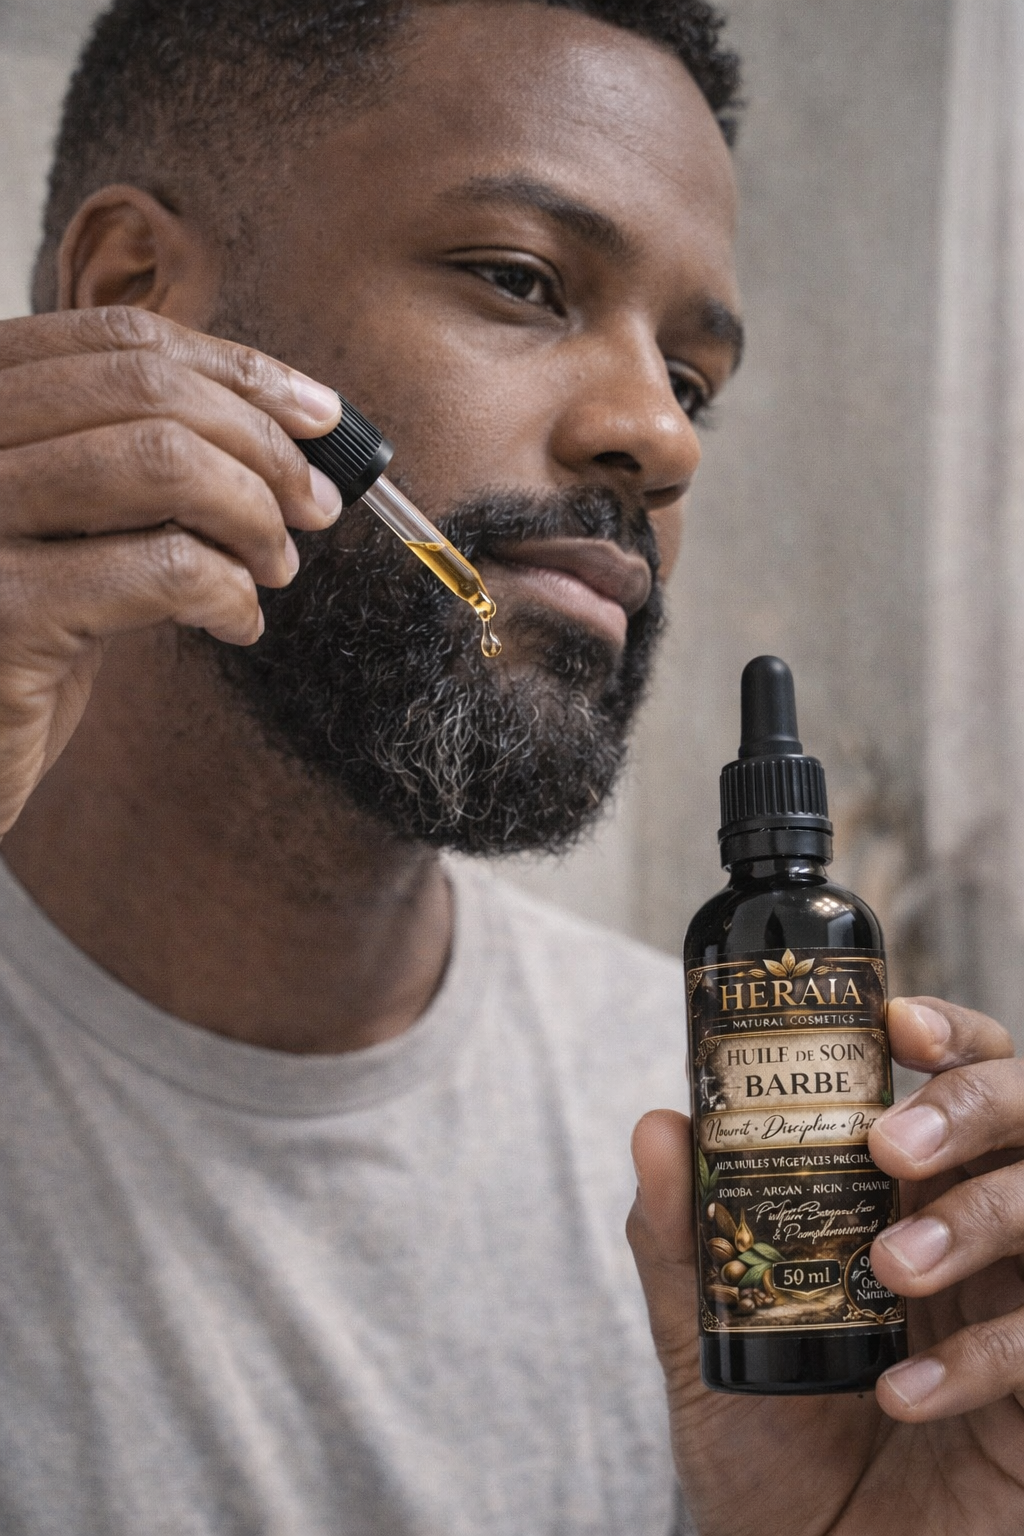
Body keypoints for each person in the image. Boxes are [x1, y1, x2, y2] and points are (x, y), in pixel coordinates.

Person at [0, 0, 1020, 1531]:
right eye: (522, 281)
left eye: (692, 380)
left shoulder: (728, 1174)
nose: (659, 442)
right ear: (137, 292)